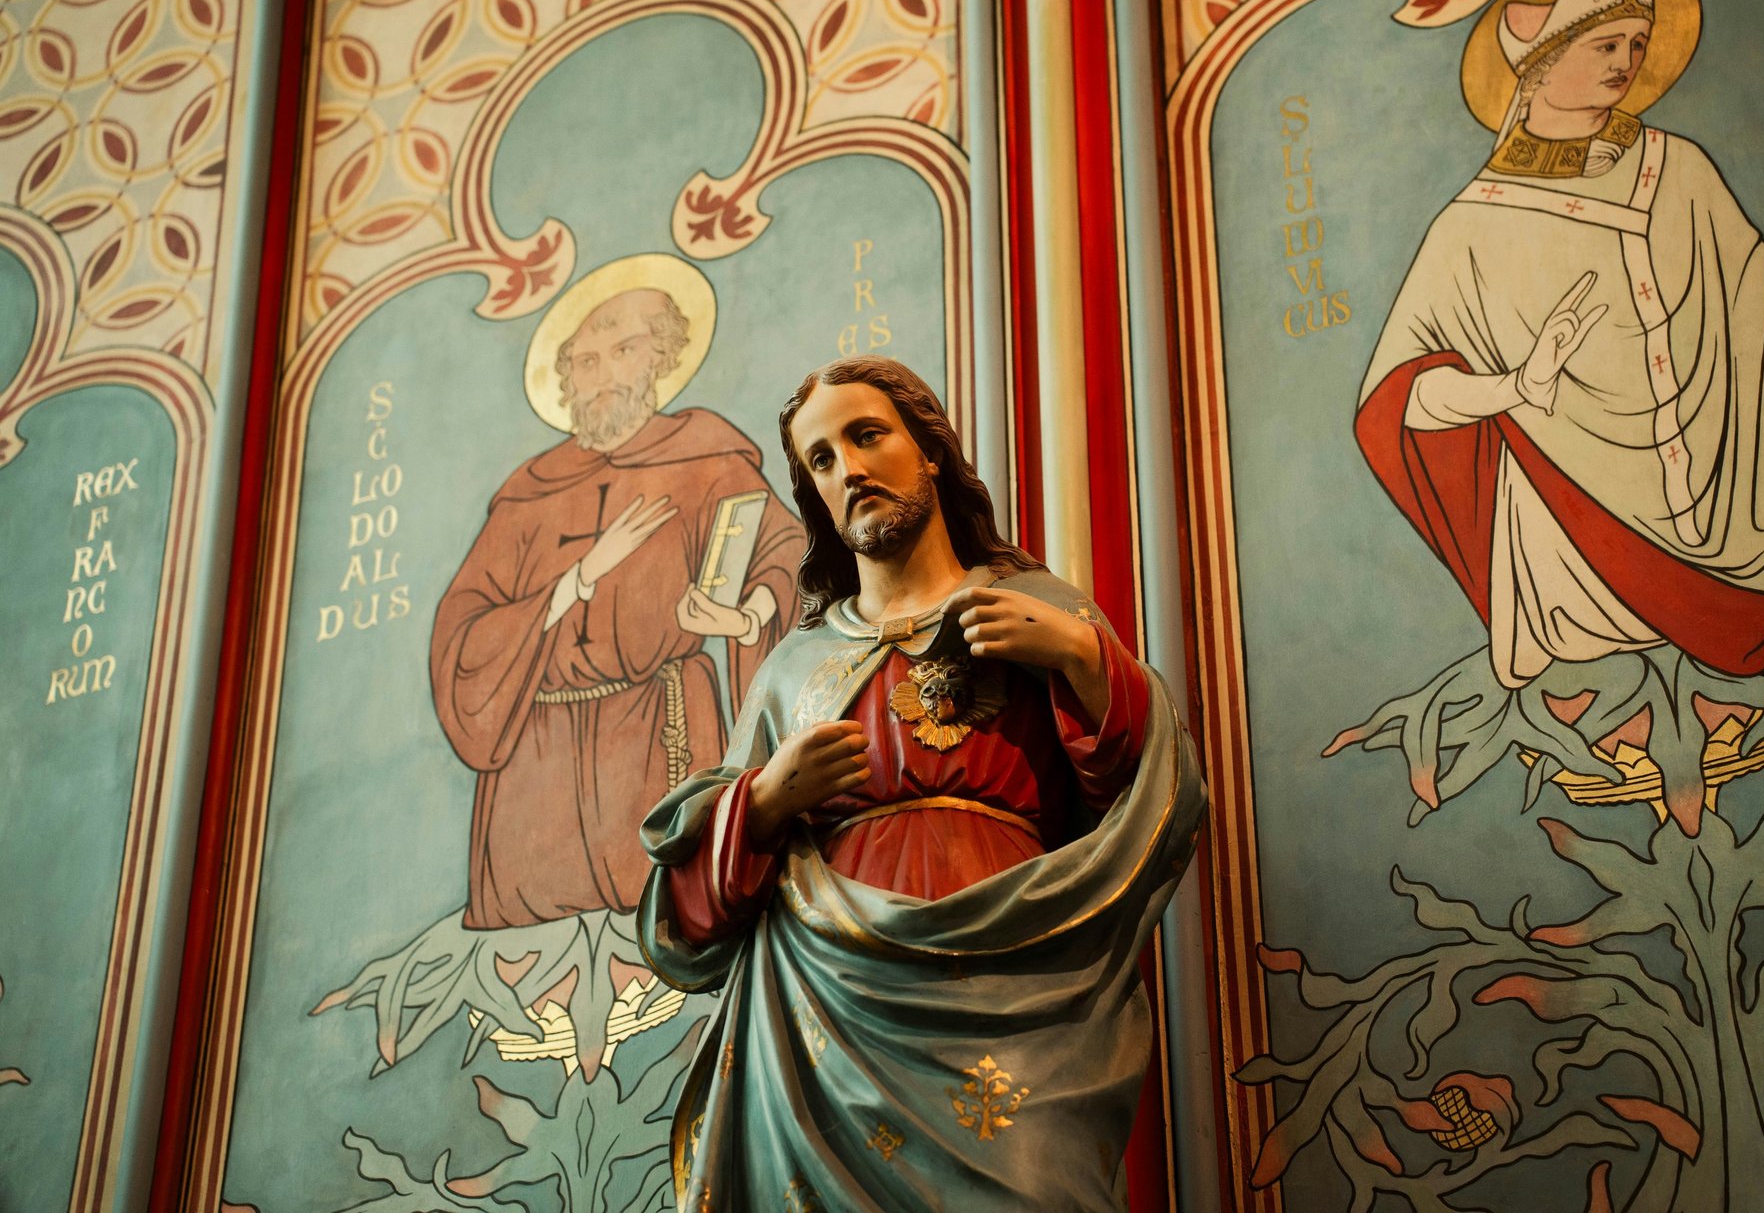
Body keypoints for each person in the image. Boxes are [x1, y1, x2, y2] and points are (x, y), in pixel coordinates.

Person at [636, 357, 1205, 1211]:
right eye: (822, 460)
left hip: (1019, 989)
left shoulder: (1038, 610)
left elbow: (1152, 795)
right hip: (827, 1009)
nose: (850, 469)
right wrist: (760, 804)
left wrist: (1083, 658)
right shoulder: (797, 668)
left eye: (868, 436)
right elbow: (684, 925)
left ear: (928, 451)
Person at [1358, 0, 1764, 688]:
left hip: (1733, 476)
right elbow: (1406, 398)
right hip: (1585, 541)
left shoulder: (1676, 166)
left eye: (1637, 43)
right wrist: (1517, 386)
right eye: (1604, 42)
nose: (1626, 59)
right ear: (1541, 63)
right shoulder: (1471, 225)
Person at [430, 287, 802, 929]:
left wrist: (742, 618)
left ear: (658, 359)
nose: (601, 374)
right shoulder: (527, 492)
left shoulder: (707, 455)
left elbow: (783, 551)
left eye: (622, 350)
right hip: (536, 760)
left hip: (660, 727)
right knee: (537, 952)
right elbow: (464, 626)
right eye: (585, 360)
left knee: (672, 924)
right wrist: (575, 580)